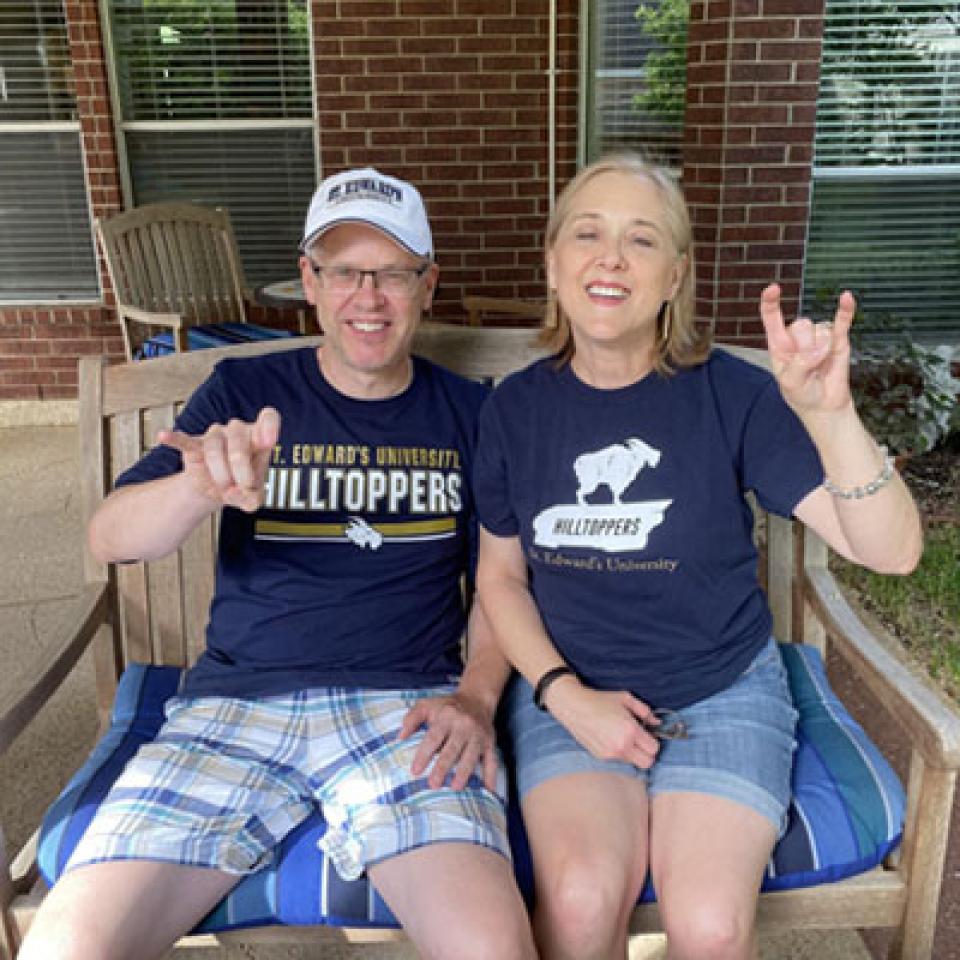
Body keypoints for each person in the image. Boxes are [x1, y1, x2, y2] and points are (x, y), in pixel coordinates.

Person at [21, 167, 537, 960]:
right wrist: (196, 488)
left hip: (406, 713)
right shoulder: (243, 388)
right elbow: (111, 539)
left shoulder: (470, 415)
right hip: (235, 708)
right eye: (342, 272)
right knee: (65, 948)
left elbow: (502, 582)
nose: (368, 297)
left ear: (427, 285)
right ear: (309, 281)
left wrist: (475, 697)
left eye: (393, 273)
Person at [474, 153, 922, 960]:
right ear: (553, 262)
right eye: (588, 233)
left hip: (722, 693)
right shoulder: (515, 411)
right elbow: (500, 580)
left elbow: (891, 554)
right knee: (577, 907)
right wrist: (563, 693)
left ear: (675, 275)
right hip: (571, 695)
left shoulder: (732, 395)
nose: (611, 257)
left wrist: (833, 417)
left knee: (712, 930)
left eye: (641, 240)